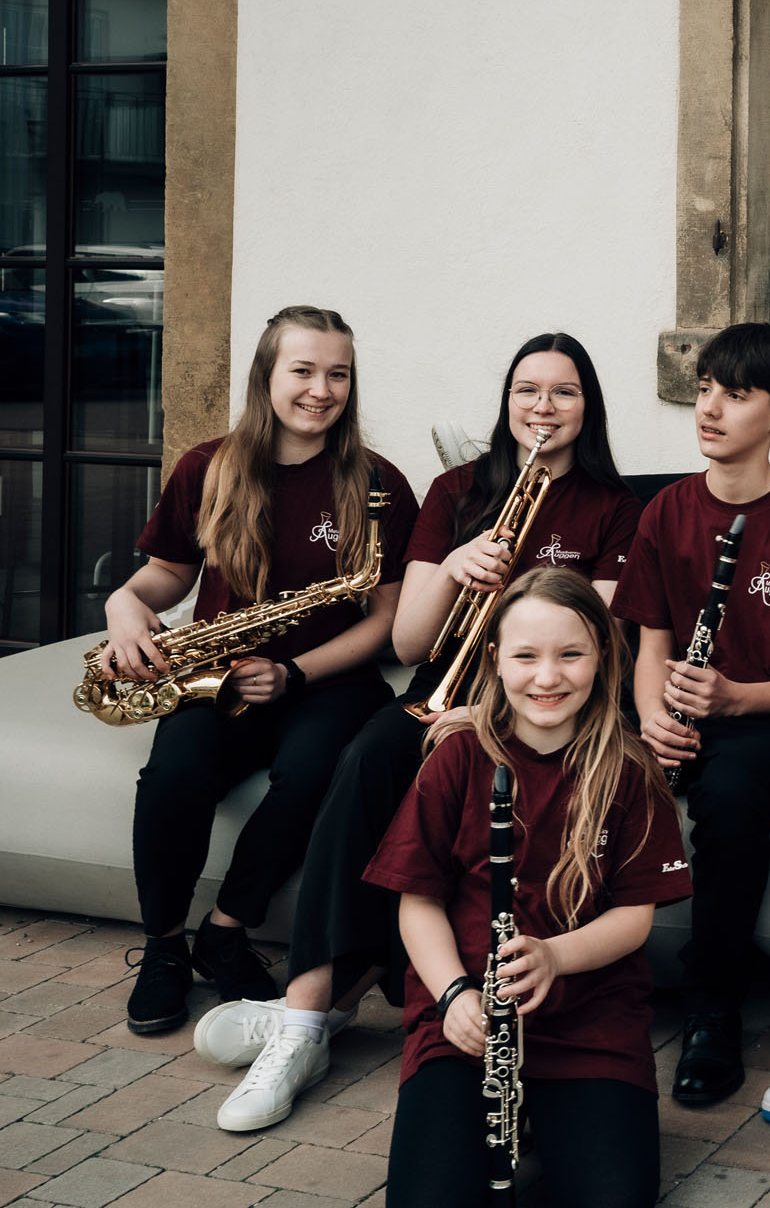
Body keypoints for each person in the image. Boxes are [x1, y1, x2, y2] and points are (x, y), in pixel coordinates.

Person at [194, 332, 641, 1131]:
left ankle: (324, 1013)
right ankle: (303, 1018)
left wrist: (495, 703)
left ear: (588, 407)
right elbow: (406, 645)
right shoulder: (456, 491)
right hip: (437, 698)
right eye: (527, 391)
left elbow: (597, 649)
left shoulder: (614, 506)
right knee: (364, 759)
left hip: (542, 713)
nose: (544, 408)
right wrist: (461, 561)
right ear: (506, 405)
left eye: (564, 392)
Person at [104, 305, 419, 1036]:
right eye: (302, 371)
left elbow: (387, 620)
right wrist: (124, 604)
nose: (321, 389)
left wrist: (294, 674)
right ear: (266, 376)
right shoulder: (205, 468)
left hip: (328, 680)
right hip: (216, 671)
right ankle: (163, 947)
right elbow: (166, 577)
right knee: (173, 773)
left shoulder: (377, 484)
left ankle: (226, 928)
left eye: (337, 374)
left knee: (314, 772)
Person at [364, 568, 690, 1207]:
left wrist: (554, 956)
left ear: (603, 657)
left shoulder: (628, 769)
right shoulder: (457, 757)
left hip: (590, 1020)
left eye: (571, 654)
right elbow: (419, 901)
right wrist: (454, 996)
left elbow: (634, 918)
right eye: (526, 656)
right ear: (495, 660)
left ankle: (558, 1127)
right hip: (466, 1017)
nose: (548, 677)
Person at [613, 322, 770, 1106]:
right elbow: (651, 640)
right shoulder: (663, 512)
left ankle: (711, 1009)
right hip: (684, 709)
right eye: (704, 389)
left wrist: (734, 698)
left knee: (727, 799)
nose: (711, 408)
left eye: (736, 393)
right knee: (590, 771)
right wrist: (651, 717)